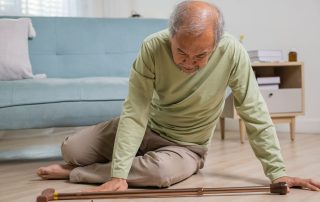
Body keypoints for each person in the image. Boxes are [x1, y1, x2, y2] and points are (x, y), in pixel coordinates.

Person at [37, 0, 320, 192]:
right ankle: (113, 162)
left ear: (217, 44)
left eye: (200, 56)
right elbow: (135, 112)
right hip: (146, 126)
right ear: (171, 35)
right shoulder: (152, 46)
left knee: (158, 174)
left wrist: (278, 173)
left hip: (186, 146)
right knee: (71, 150)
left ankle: (78, 173)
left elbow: (254, 112)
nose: (188, 62)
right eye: (181, 52)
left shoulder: (233, 53)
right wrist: (119, 173)